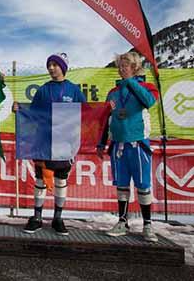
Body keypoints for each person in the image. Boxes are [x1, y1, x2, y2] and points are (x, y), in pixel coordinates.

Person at [20, 53, 86, 235]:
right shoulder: (42, 90)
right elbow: (33, 114)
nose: (51, 68)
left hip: (65, 144)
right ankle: (37, 217)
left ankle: (58, 218)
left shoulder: (73, 90)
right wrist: (20, 109)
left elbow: (87, 113)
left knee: (60, 180)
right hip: (43, 143)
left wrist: (105, 110)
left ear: (63, 67)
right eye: (49, 65)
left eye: (55, 64)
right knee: (40, 180)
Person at [97, 51, 159, 242]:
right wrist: (101, 142)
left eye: (126, 65)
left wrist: (131, 82)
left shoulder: (146, 86)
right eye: (120, 65)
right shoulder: (113, 92)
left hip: (138, 143)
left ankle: (147, 225)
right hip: (118, 144)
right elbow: (106, 119)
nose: (121, 68)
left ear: (134, 67)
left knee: (143, 185)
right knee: (122, 185)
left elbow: (149, 102)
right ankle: (122, 221)